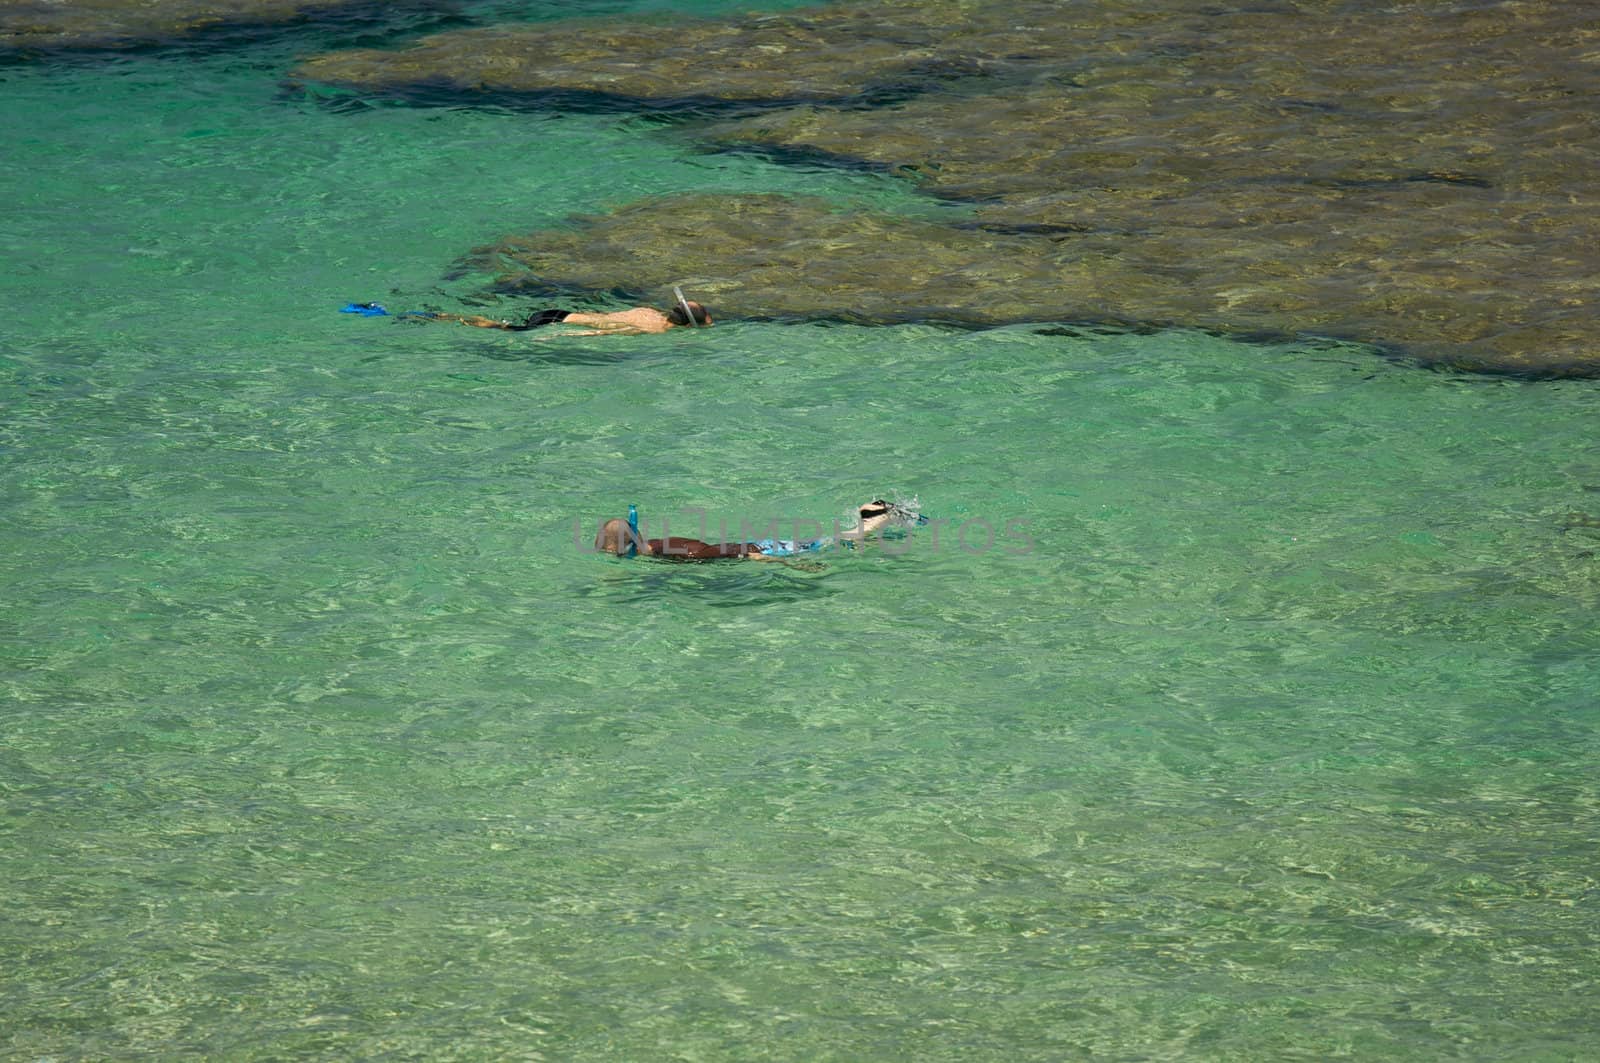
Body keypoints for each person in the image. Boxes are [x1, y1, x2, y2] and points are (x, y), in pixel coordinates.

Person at [593, 500, 915, 562]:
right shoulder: (658, 545)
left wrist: (785, 563)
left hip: (765, 550)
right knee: (836, 544)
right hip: (759, 546)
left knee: (843, 545)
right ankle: (872, 516)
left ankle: (876, 515)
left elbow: (724, 552)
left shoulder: (676, 551)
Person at [420, 290, 711, 336]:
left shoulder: (646, 311)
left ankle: (442, 314)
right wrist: (558, 338)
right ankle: (444, 317)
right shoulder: (655, 330)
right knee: (498, 328)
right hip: (554, 324)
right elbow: (601, 334)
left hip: (561, 311)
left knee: (503, 322)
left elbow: (604, 318)